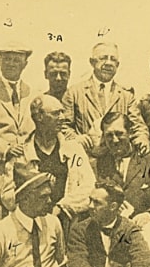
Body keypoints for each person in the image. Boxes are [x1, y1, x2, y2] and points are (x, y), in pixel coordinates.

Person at [6, 95, 94, 240]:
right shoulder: (21, 150)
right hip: (30, 225)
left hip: (68, 223)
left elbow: (89, 186)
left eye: (62, 112)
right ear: (39, 117)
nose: (62, 118)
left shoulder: (74, 149)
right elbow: (8, 194)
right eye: (55, 113)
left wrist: (62, 208)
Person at [0, 40, 35, 239]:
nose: (11, 64)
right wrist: (5, 149)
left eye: (16, 60)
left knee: (22, 235)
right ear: (0, 62)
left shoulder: (33, 94)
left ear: (25, 64)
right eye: (7, 59)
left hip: (25, 177)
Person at [62, 42, 148, 155]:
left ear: (117, 65)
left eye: (113, 59)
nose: (108, 63)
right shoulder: (74, 93)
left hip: (117, 160)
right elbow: (62, 126)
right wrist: (75, 139)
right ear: (92, 62)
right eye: (103, 58)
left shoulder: (126, 96)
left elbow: (138, 126)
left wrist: (142, 138)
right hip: (86, 158)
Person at [94, 112, 150, 223]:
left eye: (119, 133)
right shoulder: (99, 164)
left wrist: (149, 214)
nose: (115, 140)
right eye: (109, 135)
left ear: (130, 132)